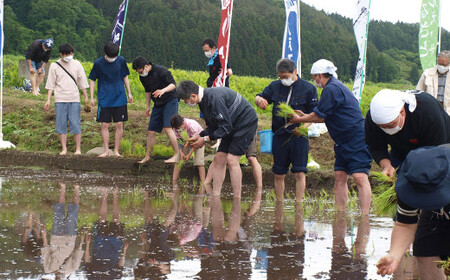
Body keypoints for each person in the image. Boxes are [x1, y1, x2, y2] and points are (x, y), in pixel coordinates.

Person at [290, 59, 372, 215]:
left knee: (360, 176)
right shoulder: (333, 87)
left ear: (320, 76)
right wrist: (307, 116)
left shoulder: (332, 89)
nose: (314, 81)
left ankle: (365, 216)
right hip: (342, 139)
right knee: (340, 176)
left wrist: (300, 119)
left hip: (355, 137)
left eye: (314, 77)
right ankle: (341, 213)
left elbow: (318, 115)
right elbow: (322, 116)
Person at [376, 146, 450, 280]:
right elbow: (405, 224)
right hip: (438, 213)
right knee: (425, 249)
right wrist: (394, 255)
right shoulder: (415, 180)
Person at [176, 80, 258, 198]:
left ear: (193, 96)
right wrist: (200, 135)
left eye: (186, 100)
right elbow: (214, 125)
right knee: (219, 158)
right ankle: (215, 195)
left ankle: (237, 198)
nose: (186, 103)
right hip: (230, 124)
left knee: (232, 159)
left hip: (245, 122)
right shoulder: (203, 102)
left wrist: (205, 140)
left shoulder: (215, 99)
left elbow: (225, 127)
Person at [255, 58, 318, 202]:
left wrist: (302, 127)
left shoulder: (308, 89)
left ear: (295, 72)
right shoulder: (275, 86)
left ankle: (298, 204)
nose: (283, 80)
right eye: (281, 77)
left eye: (286, 77)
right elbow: (259, 96)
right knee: (279, 173)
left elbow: (314, 115)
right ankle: (279, 204)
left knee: (300, 172)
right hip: (279, 135)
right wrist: (259, 101)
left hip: (299, 136)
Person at [365, 89, 450, 177]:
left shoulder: (426, 112)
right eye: (382, 127)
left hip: (439, 149)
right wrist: (387, 166)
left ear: (402, 112)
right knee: (400, 179)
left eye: (391, 125)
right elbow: (376, 148)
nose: (387, 129)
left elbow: (436, 152)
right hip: (400, 151)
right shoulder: (373, 118)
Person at [88, 42, 133, 157]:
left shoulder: (121, 60)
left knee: (119, 124)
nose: (112, 59)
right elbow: (92, 79)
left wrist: (129, 93)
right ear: (106, 54)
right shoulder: (98, 63)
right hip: (104, 98)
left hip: (119, 96)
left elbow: (125, 76)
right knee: (105, 125)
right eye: (110, 56)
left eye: (114, 57)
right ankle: (106, 150)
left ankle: (116, 151)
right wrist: (92, 97)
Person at [132, 56, 179, 164]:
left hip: (170, 100)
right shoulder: (143, 77)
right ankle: (147, 156)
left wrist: (163, 90)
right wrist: (147, 106)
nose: (140, 74)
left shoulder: (161, 71)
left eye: (141, 71)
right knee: (151, 131)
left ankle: (177, 155)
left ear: (146, 66)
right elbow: (147, 91)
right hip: (157, 103)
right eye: (138, 72)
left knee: (168, 127)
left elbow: (173, 85)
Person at [44, 43, 89, 155]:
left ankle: (78, 149)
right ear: (61, 54)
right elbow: (50, 84)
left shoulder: (77, 64)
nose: (69, 56)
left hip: (74, 98)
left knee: (75, 123)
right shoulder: (55, 66)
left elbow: (82, 81)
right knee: (61, 124)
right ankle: (64, 148)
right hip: (60, 98)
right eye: (66, 54)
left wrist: (86, 96)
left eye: (70, 54)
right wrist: (48, 100)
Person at [41, 183, 85, 279]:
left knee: (58, 211)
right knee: (73, 214)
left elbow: (46, 251)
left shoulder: (48, 269)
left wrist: (44, 235)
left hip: (56, 237)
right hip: (70, 239)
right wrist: (82, 240)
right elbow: (77, 253)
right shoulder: (71, 269)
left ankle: (63, 187)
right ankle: (77, 189)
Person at [85, 187, 128, 279]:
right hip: (115, 245)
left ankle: (105, 193)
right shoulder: (115, 277)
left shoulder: (92, 277)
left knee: (102, 218)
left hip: (99, 244)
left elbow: (87, 262)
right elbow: (120, 266)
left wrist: (88, 244)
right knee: (116, 218)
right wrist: (124, 251)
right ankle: (115, 194)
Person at [170, 114, 206, 188]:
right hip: (186, 141)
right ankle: (174, 182)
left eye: (179, 128)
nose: (178, 130)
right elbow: (179, 140)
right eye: (176, 128)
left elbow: (196, 143)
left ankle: (204, 184)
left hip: (199, 140)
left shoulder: (192, 125)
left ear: (183, 122)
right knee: (178, 161)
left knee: (199, 162)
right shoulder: (175, 128)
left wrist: (189, 154)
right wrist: (181, 152)